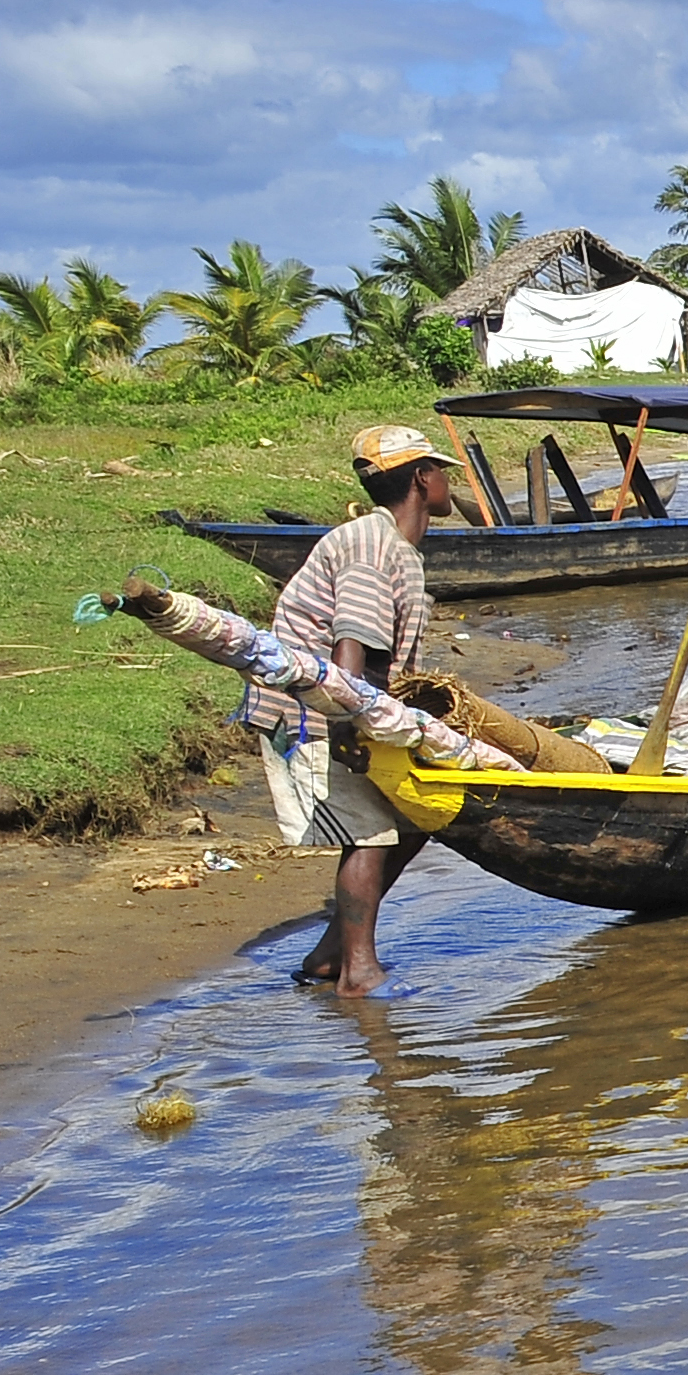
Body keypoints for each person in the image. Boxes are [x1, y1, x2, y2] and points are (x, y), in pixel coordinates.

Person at [246, 425, 458, 997]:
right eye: (440, 471)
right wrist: (348, 723)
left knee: (419, 817)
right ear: (421, 479)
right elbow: (349, 648)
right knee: (371, 832)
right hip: (320, 710)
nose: (447, 480)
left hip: (354, 703)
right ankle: (358, 972)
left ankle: (330, 953)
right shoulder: (373, 545)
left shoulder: (396, 546)